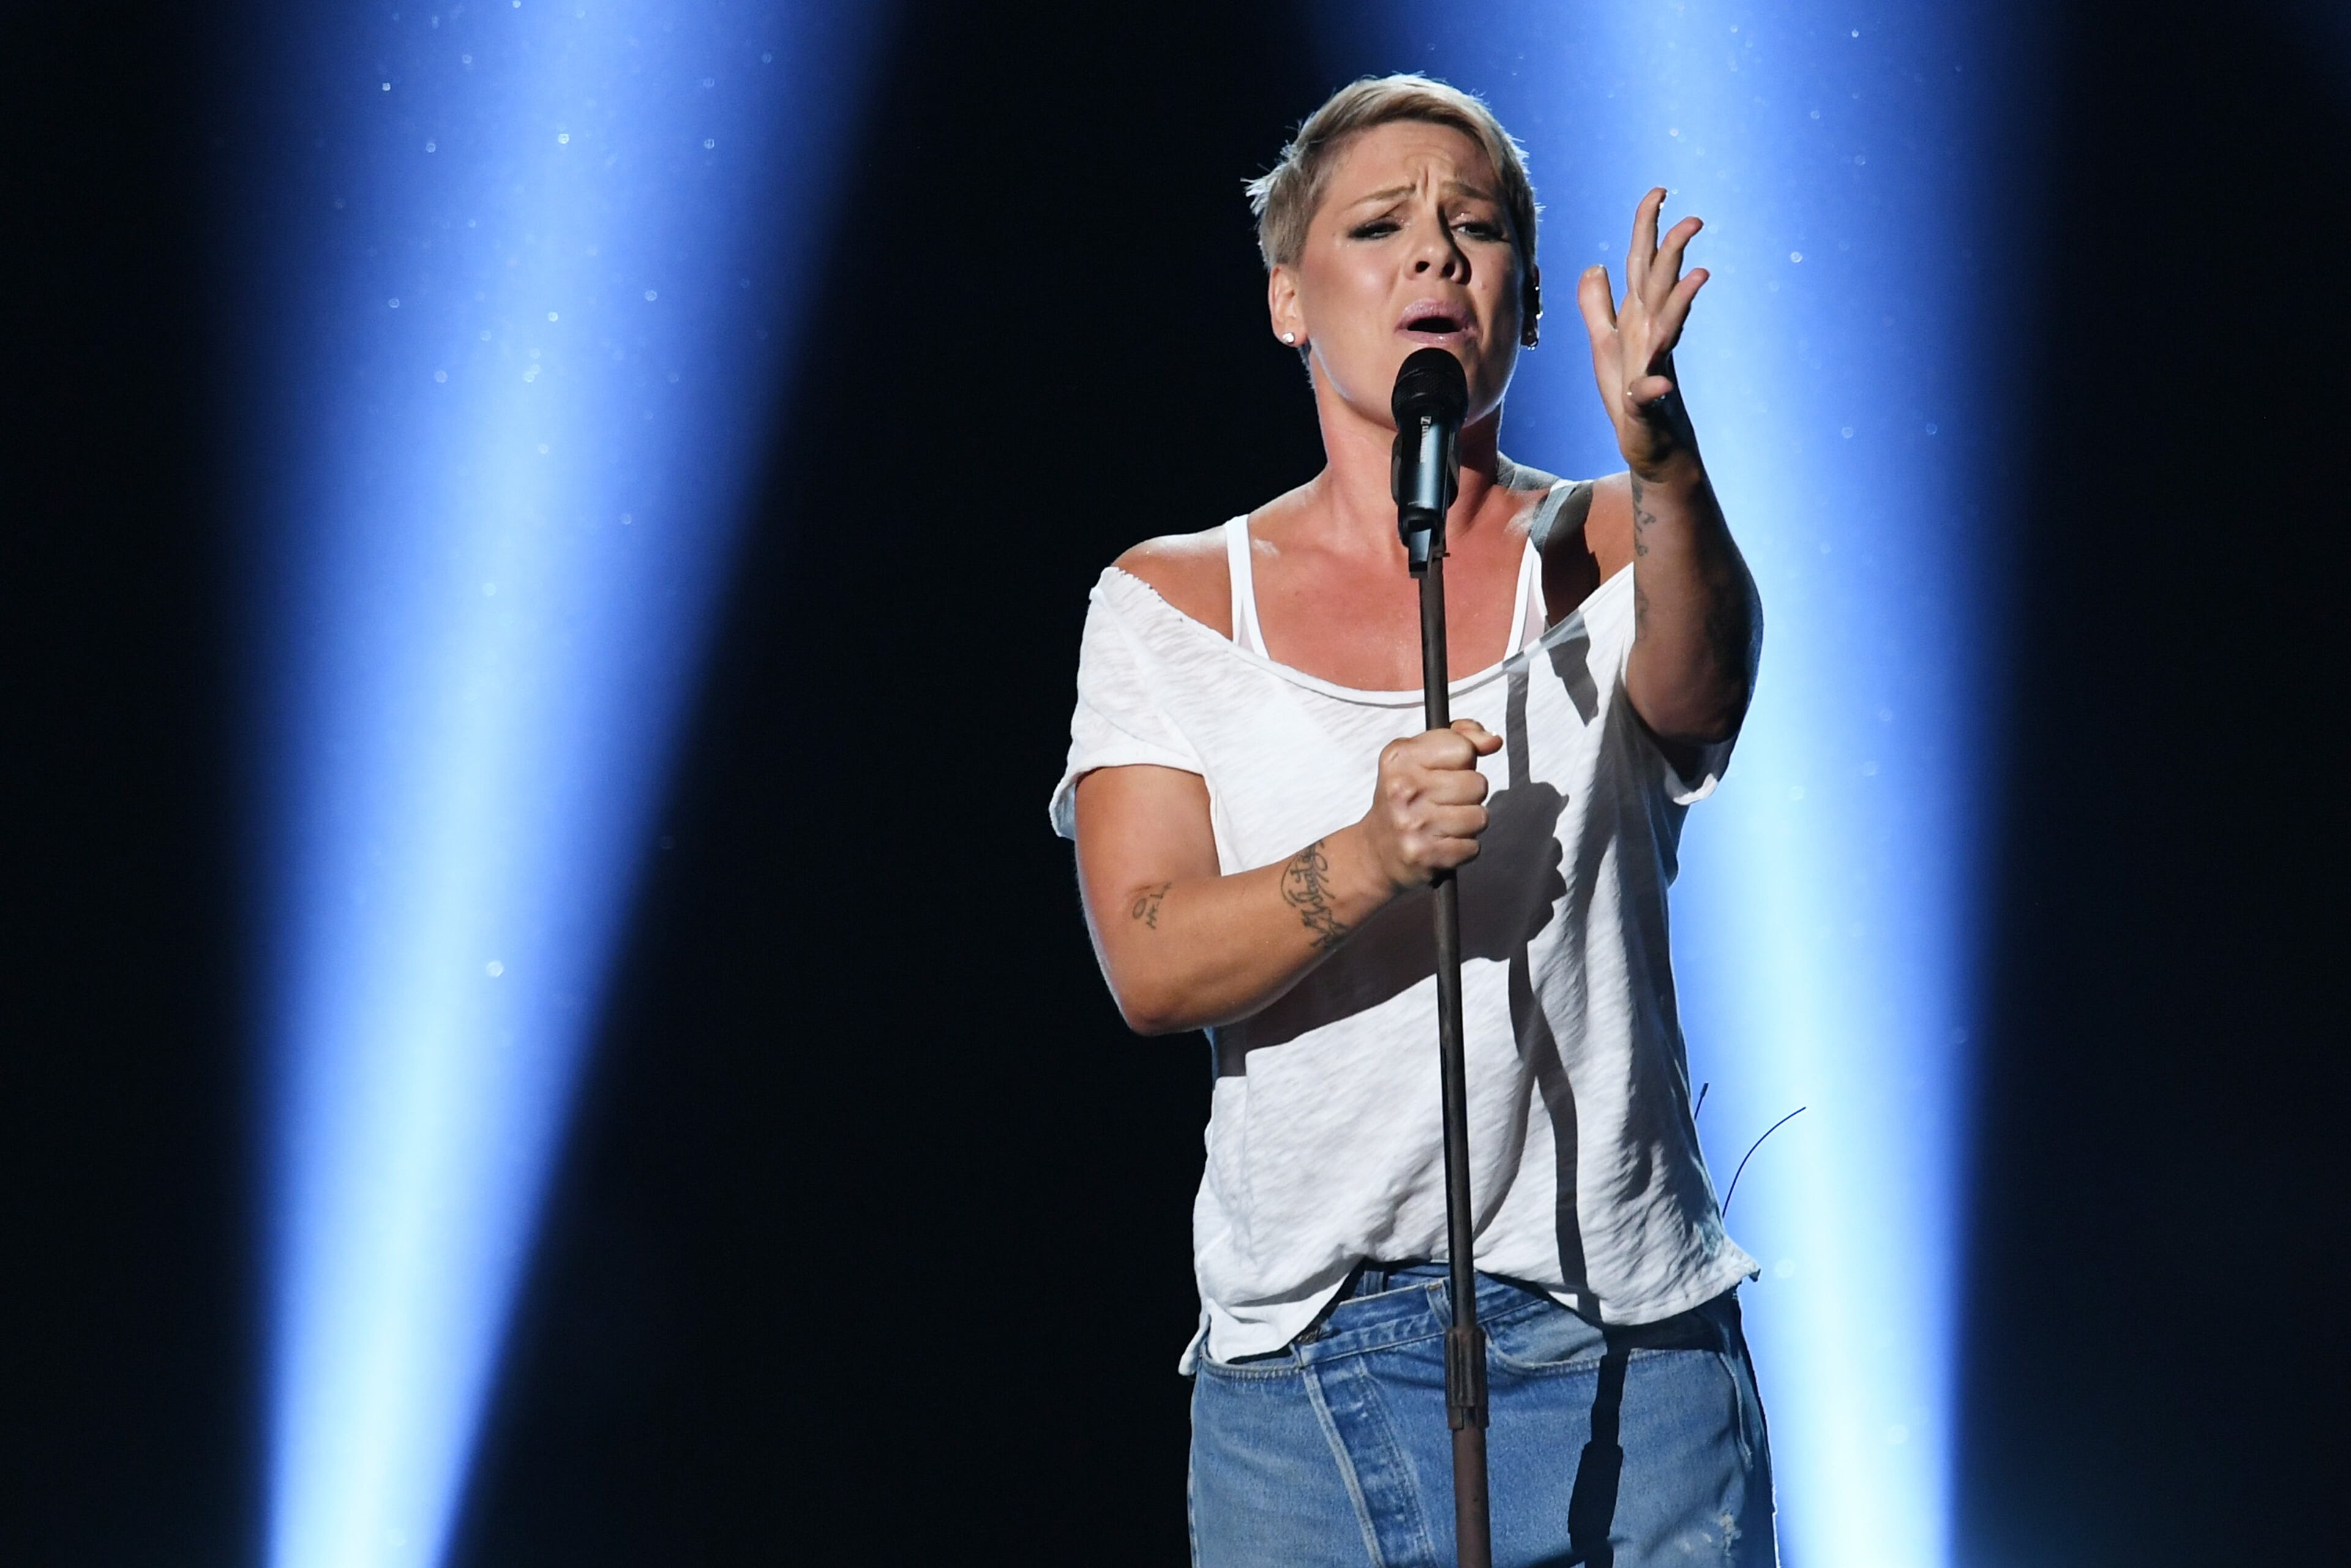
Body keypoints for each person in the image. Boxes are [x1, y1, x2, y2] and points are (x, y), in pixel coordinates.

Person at [1046, 74, 1775, 1567]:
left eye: (1478, 227)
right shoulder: (1169, 605)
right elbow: (1151, 960)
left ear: (1521, 305)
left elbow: (1704, 695)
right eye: (1380, 225)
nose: (1436, 251)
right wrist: (1370, 858)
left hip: (1624, 1344)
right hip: (1307, 1385)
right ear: (1289, 302)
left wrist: (1664, 456)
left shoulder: (1610, 541)